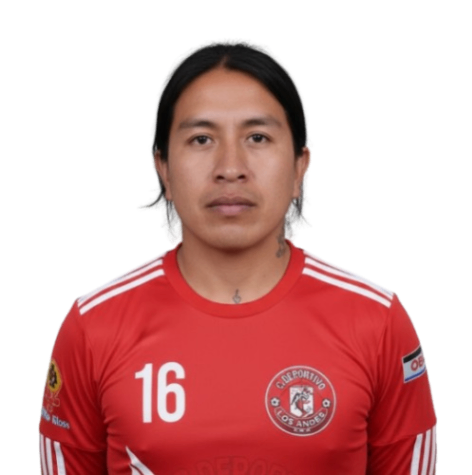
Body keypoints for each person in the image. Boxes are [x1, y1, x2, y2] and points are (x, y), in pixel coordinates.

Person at [38, 38, 438, 474]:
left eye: (257, 137)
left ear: (301, 164)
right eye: (202, 138)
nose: (230, 168)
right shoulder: (93, 325)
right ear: (164, 168)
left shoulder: (377, 320)